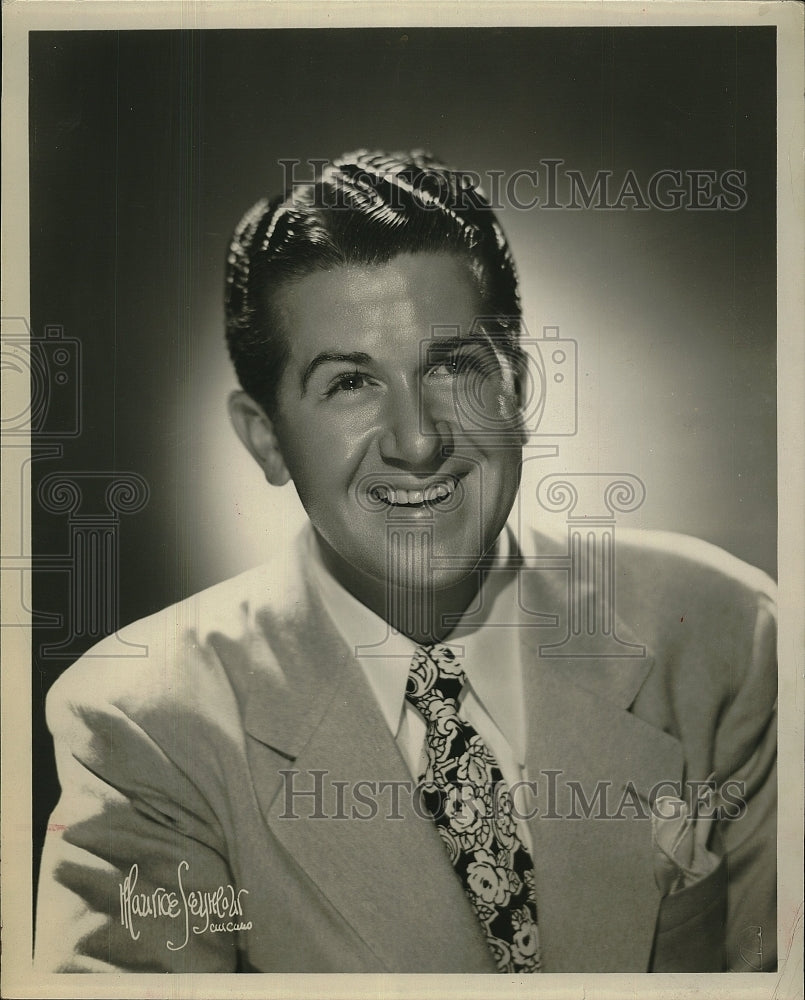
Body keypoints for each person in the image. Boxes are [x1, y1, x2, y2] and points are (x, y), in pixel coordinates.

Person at [35, 149, 777, 974]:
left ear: (517, 391)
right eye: (351, 383)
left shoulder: (727, 637)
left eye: (453, 366)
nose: (417, 443)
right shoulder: (147, 724)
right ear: (266, 437)